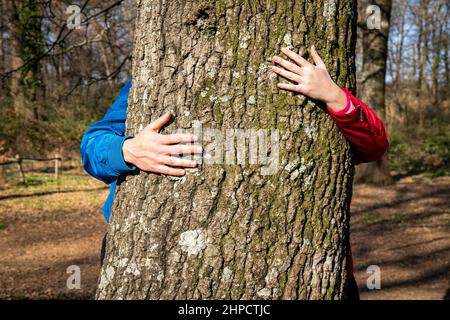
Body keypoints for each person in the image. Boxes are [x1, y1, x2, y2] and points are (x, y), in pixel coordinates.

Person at [80, 45, 388, 300]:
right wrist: (125, 150)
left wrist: (333, 96)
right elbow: (92, 145)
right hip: (150, 256)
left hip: (303, 263)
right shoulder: (154, 76)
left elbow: (373, 146)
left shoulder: (314, 78)